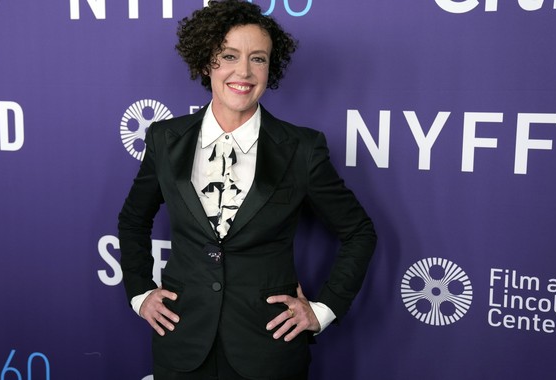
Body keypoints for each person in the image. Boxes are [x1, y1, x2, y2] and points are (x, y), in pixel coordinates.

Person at [118, 1, 377, 379]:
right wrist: (141, 293)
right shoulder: (165, 139)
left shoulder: (302, 148)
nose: (243, 71)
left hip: (269, 351)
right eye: (229, 55)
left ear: (270, 68)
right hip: (182, 344)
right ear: (207, 62)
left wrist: (323, 310)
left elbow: (358, 232)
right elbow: (133, 219)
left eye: (258, 59)